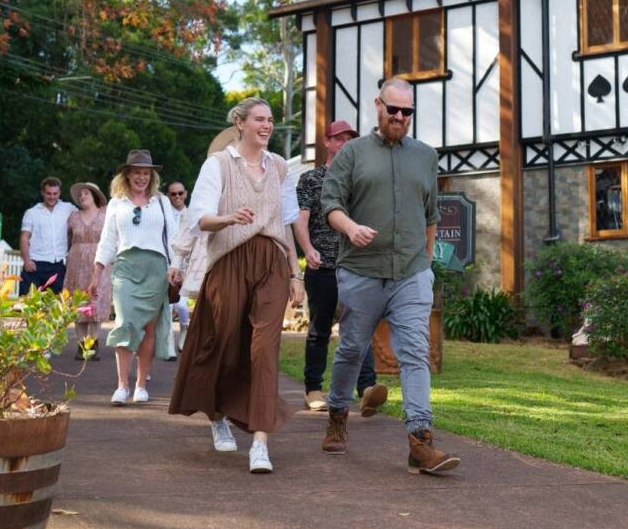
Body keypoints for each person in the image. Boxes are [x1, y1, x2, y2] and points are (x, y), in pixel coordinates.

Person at [319, 78, 460, 475]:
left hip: (411, 272)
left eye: (407, 112)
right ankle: (337, 414)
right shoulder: (352, 154)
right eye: (393, 109)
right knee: (351, 349)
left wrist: (428, 263)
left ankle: (421, 441)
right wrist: (349, 228)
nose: (400, 117)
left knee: (415, 353)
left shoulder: (426, 156)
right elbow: (330, 204)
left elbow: (431, 214)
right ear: (378, 105)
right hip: (362, 272)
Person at [169, 97, 303, 475]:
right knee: (221, 343)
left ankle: (260, 443)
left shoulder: (279, 167)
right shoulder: (218, 165)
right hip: (229, 260)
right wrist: (228, 218)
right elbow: (200, 219)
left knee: (265, 348)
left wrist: (296, 274)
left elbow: (287, 225)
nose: (267, 125)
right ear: (240, 123)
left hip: (272, 262)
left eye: (271, 120)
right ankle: (216, 414)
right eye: (259, 119)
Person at [294, 119, 379, 412]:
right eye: (339, 139)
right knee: (320, 329)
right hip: (323, 265)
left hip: (356, 265)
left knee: (360, 328)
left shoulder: (361, 179)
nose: (344, 144)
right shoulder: (310, 180)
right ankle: (314, 389)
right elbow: (300, 219)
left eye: (349, 139)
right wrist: (308, 250)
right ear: (327, 143)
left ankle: (367, 387)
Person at [94, 150, 173, 406]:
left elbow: (173, 237)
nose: (141, 177)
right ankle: (122, 386)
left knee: (148, 328)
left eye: (146, 173)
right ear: (127, 175)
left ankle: (141, 384)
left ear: (152, 176)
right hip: (126, 267)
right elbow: (107, 240)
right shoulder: (116, 203)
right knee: (125, 323)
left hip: (156, 268)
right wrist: (97, 274)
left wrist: (177, 267)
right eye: (137, 172)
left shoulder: (162, 202)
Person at [65, 182, 110, 360]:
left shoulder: (106, 215)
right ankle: (81, 345)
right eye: (80, 195)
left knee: (97, 302)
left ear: (94, 195)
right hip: (76, 264)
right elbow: (68, 239)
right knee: (79, 304)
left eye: (86, 193)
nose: (82, 196)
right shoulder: (73, 217)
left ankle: (94, 343)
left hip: (99, 263)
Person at [19, 177, 74, 295]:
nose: (52, 197)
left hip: (58, 265)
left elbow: (85, 215)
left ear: (59, 193)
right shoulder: (31, 213)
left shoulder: (68, 208)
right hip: (35, 265)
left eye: (55, 193)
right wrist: (26, 260)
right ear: (42, 192)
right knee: (28, 304)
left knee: (55, 306)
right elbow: (24, 238)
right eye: (48, 193)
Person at [162, 181, 192, 358]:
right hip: (167, 263)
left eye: (180, 193)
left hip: (187, 265)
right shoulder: (165, 215)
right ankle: (168, 344)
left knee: (181, 305)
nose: (177, 197)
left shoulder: (192, 214)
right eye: (173, 194)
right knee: (167, 305)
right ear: (168, 196)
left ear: (186, 194)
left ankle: (184, 328)